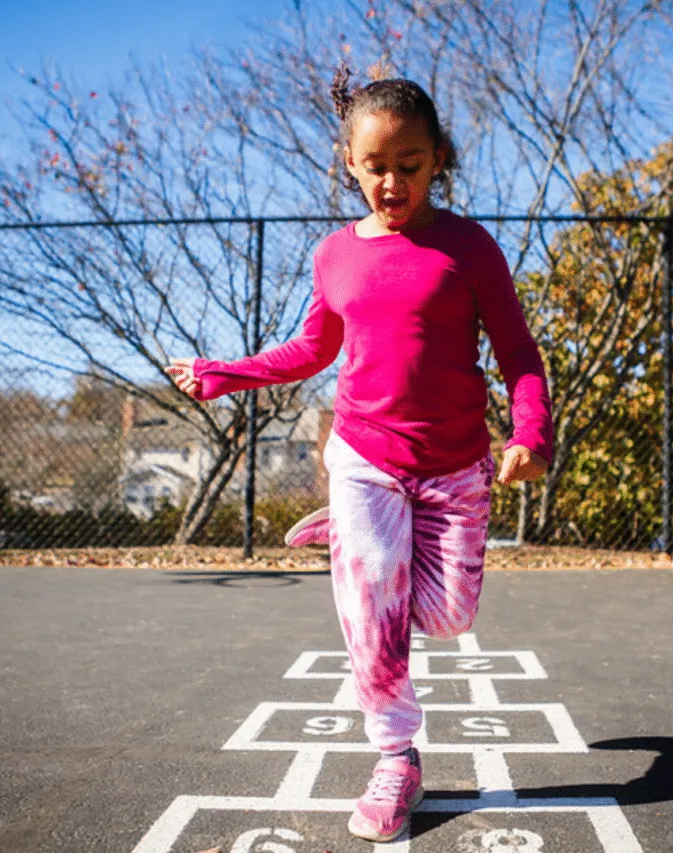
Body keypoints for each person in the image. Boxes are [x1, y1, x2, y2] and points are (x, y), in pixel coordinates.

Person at [166, 68, 553, 843]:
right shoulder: (335, 255)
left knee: (448, 614)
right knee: (374, 601)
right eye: (375, 167)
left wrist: (530, 433)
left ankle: (353, 541)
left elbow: (517, 350)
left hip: (454, 463)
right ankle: (395, 754)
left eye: (409, 165)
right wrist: (224, 373)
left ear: (438, 158)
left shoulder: (470, 247)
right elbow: (312, 348)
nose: (392, 182)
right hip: (365, 455)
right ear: (350, 162)